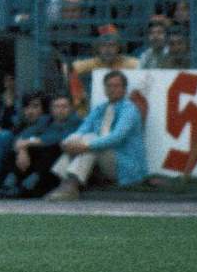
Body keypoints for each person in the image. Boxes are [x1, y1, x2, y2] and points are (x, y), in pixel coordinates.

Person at [46, 70, 147, 201]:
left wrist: (86, 146)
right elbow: (82, 130)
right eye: (109, 86)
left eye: (116, 86)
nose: (112, 89)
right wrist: (67, 143)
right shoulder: (100, 108)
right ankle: (67, 183)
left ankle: (70, 186)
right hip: (102, 159)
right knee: (79, 140)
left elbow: (116, 137)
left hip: (124, 164)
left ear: (124, 89)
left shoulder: (130, 109)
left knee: (90, 141)